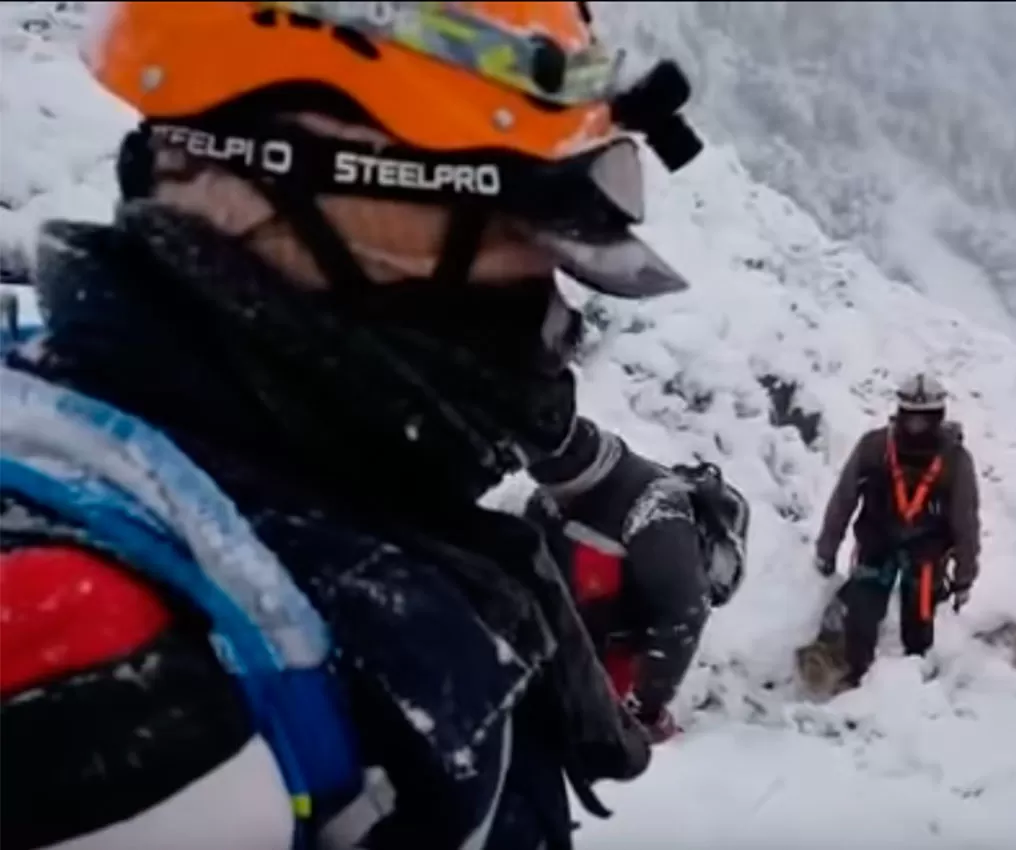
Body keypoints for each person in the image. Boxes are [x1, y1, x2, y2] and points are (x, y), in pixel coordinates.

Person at [0, 3, 710, 849]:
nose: (552, 323)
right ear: (288, 192)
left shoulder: (311, 483)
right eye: (508, 242)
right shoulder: (89, 682)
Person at [521, 420, 751, 744]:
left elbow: (680, 617)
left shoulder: (653, 517)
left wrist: (642, 708)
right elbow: (683, 617)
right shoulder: (559, 497)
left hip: (612, 630)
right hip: (579, 610)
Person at [812, 371, 982, 689]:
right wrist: (827, 549)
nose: (917, 424)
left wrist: (964, 576)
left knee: (919, 624)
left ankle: (912, 687)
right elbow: (843, 500)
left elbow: (966, 520)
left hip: (928, 557)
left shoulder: (955, 461)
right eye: (911, 416)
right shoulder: (874, 447)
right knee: (861, 615)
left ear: (938, 416)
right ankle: (856, 679)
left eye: (925, 417)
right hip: (876, 545)